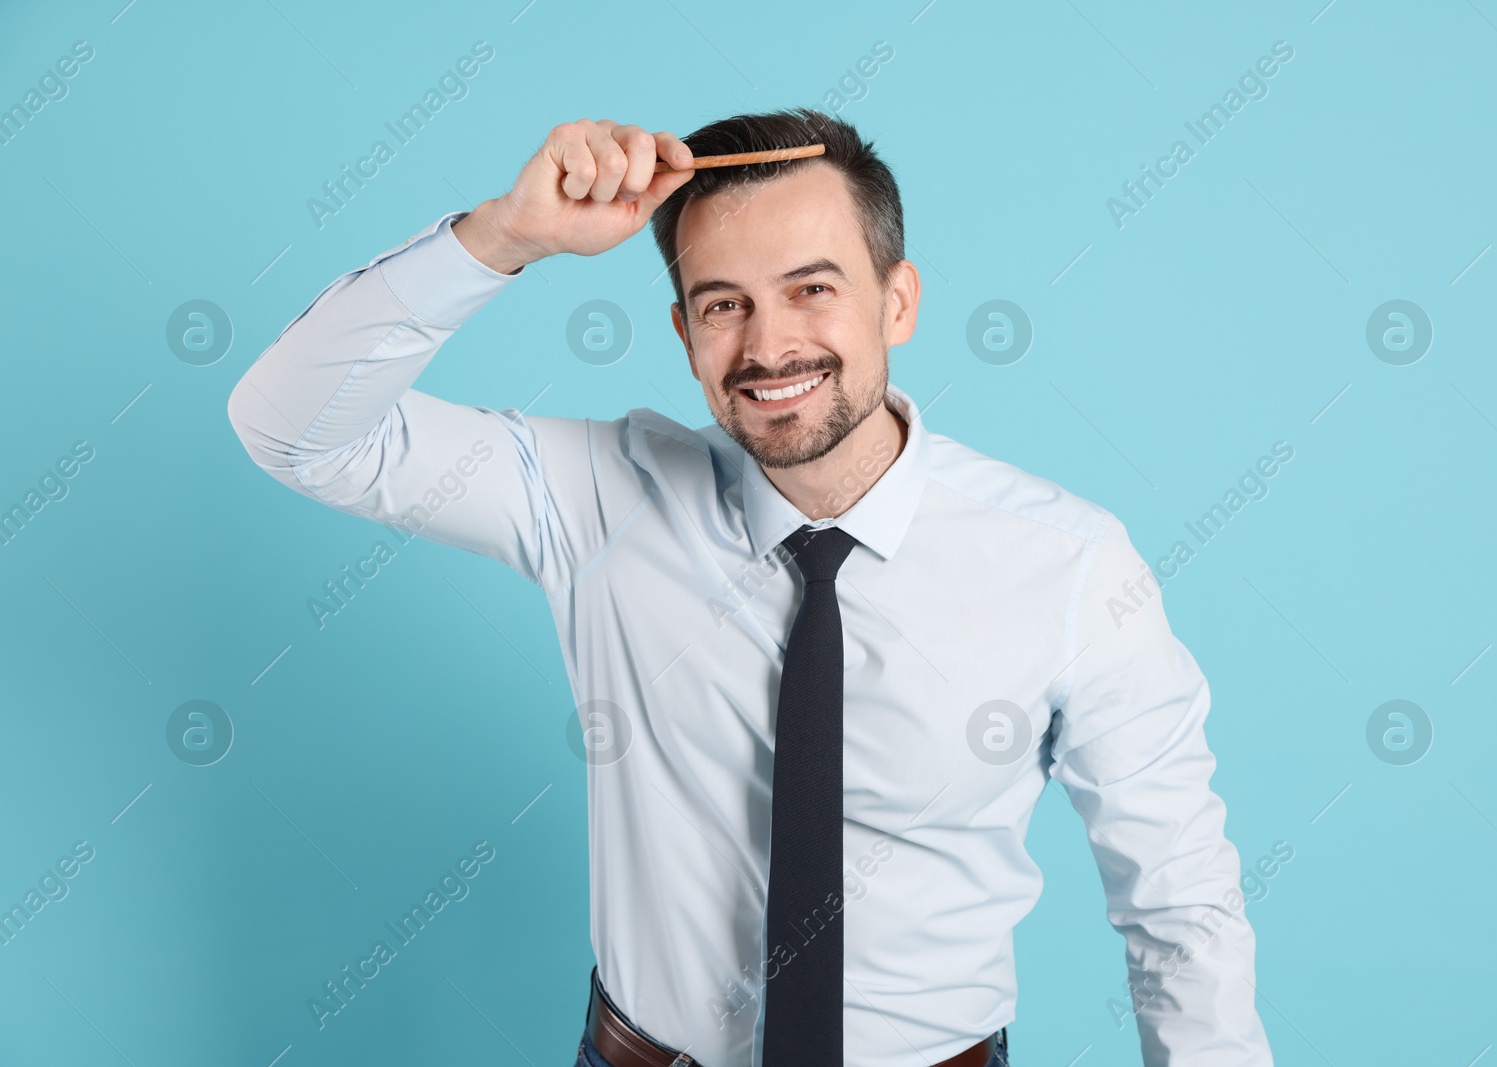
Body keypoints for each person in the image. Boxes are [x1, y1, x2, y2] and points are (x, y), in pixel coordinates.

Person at [228, 107, 1273, 1067]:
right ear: (684, 332)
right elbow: (292, 427)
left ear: (896, 299)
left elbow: (1181, 906)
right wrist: (506, 235)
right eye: (723, 303)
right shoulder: (598, 500)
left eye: (812, 288)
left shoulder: (1069, 564)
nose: (768, 347)